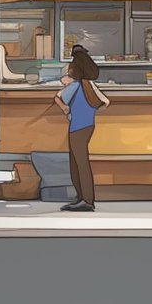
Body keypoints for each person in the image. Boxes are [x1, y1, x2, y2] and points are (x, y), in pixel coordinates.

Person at [55, 45, 108, 212]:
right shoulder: (89, 85)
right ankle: (83, 197)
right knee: (79, 162)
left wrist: (65, 109)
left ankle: (86, 199)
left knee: (79, 164)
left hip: (77, 127)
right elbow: (106, 103)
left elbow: (57, 98)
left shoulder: (75, 86)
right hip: (88, 125)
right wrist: (90, 111)